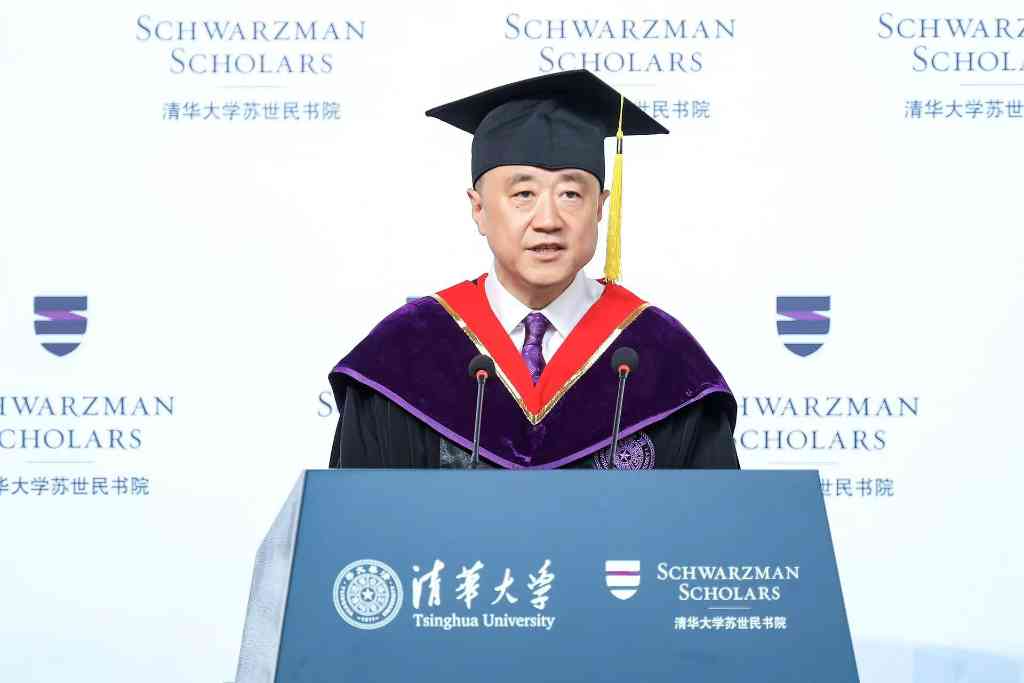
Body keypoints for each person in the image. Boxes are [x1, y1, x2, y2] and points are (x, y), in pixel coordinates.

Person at [328, 69, 739, 470]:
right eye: (523, 194)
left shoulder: (661, 357)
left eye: (570, 194)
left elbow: (712, 511)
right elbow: (362, 510)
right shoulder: (407, 352)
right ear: (478, 209)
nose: (548, 220)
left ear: (600, 208)